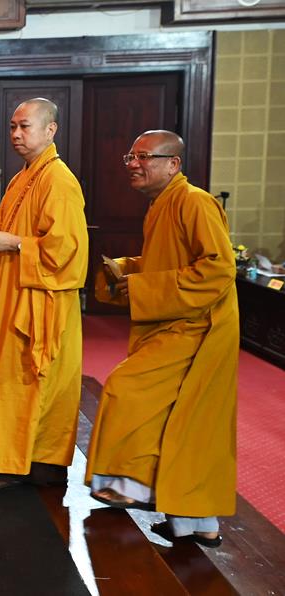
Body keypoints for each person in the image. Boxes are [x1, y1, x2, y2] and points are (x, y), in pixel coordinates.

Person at [85, 130, 238, 548]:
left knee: (128, 389)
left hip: (198, 326)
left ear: (173, 164)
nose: (133, 164)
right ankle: (195, 523)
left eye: (144, 157)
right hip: (176, 320)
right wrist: (127, 269)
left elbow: (218, 270)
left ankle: (130, 485)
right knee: (183, 424)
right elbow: (167, 262)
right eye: (130, 156)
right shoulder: (161, 204)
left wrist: (145, 286)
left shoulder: (195, 202)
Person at [0, 98, 89, 493]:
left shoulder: (59, 180)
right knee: (13, 382)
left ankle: (12, 467)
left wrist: (15, 243)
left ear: (50, 130)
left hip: (38, 302)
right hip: (14, 293)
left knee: (24, 383)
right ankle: (36, 464)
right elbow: (27, 231)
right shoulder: (25, 177)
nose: (16, 134)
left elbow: (67, 251)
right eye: (12, 127)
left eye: (25, 127)